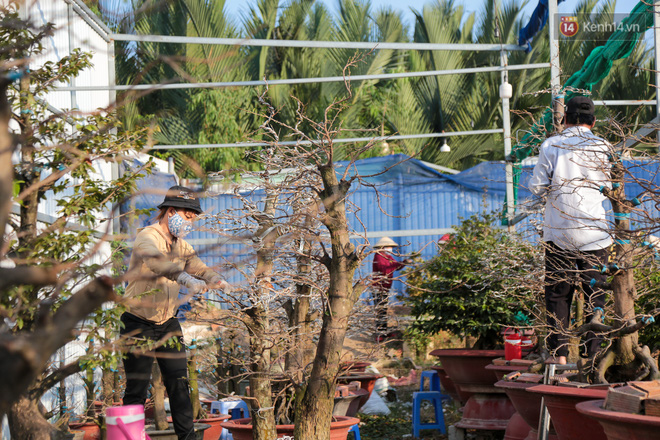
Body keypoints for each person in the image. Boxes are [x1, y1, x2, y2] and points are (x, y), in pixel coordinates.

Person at [120, 185, 230, 440]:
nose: (190, 223)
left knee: (179, 385)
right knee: (137, 389)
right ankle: (129, 437)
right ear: (171, 212)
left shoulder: (181, 245)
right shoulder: (147, 237)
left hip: (167, 322)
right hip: (138, 322)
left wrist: (215, 278)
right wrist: (184, 279)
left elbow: (197, 266)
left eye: (193, 218)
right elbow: (157, 262)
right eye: (187, 216)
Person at [529, 96, 612, 365]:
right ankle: (594, 357)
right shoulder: (604, 146)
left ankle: (561, 357)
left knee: (558, 294)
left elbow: (537, 188)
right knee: (595, 294)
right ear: (593, 122)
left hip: (560, 231)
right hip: (596, 233)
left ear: (564, 119)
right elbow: (612, 186)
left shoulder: (551, 145)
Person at [372, 237, 408, 340]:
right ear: (383, 247)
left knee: (383, 310)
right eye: (388, 247)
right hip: (379, 288)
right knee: (380, 311)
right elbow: (385, 270)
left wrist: (404, 262)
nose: (390, 249)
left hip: (385, 288)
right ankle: (380, 335)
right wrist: (398, 265)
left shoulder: (388, 257)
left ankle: (384, 332)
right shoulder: (378, 257)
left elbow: (395, 266)